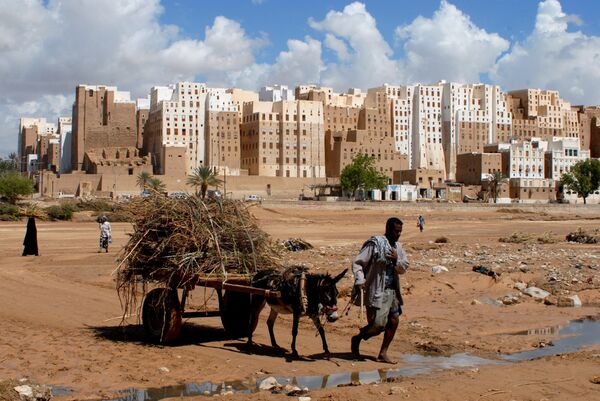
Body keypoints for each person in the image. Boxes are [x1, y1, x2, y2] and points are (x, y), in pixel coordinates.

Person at [351, 217, 409, 364]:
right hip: (377, 290)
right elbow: (358, 263)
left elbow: (404, 268)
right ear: (388, 229)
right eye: (396, 231)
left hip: (392, 291)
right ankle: (359, 337)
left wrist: (397, 260)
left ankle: (383, 353)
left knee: (394, 320)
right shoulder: (374, 244)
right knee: (378, 325)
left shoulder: (398, 248)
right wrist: (360, 280)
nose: (398, 234)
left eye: (400, 232)